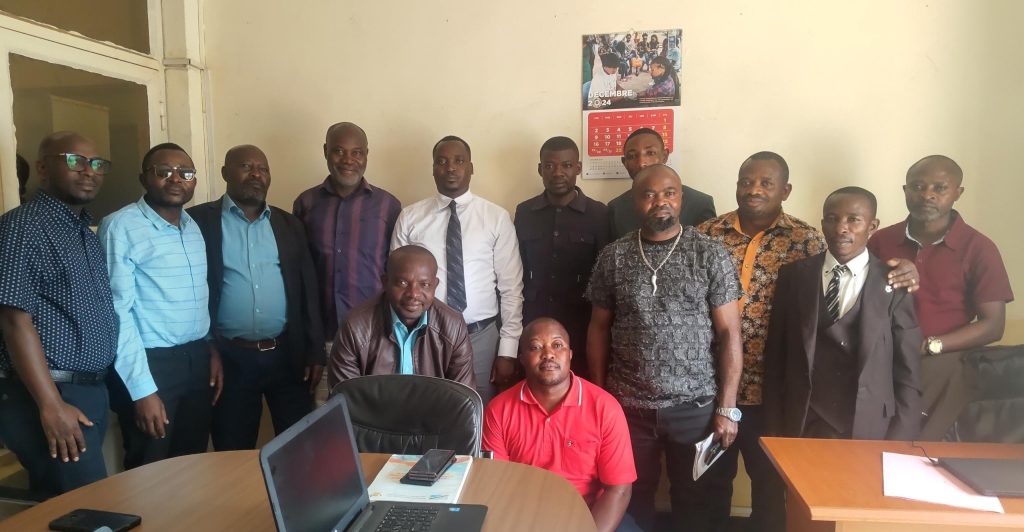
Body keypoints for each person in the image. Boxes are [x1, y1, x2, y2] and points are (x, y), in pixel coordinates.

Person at [587, 164, 743, 531]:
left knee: (694, 500)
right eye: (649, 194)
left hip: (695, 407)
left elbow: (729, 334)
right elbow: (598, 328)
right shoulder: (614, 256)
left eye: (669, 193)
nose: (661, 201)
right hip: (628, 407)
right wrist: (600, 397)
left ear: (681, 198)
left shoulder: (709, 253)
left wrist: (727, 407)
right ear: (634, 202)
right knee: (630, 498)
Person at [0, 131, 118, 495]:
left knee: (74, 507)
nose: (88, 171)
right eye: (74, 161)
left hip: (87, 390)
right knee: (86, 509)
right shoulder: (23, 226)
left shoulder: (84, 232)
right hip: (49, 393)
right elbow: (13, 319)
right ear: (42, 168)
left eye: (96, 163)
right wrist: (51, 404)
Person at [187, 144, 325, 450]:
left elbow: (308, 291)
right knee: (233, 448)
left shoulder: (289, 225)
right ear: (225, 173)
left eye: (262, 169)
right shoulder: (197, 222)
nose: (256, 175)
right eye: (246, 167)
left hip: (287, 355)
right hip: (230, 357)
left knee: (299, 448)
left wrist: (315, 350)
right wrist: (208, 347)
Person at [867, 155, 1013, 440]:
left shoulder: (978, 247)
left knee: (910, 440)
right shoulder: (880, 240)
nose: (927, 195)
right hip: (882, 354)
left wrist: (930, 346)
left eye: (940, 188)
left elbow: (993, 325)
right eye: (917, 187)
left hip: (940, 356)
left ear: (958, 192)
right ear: (905, 190)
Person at [764, 187, 922, 442]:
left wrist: (903, 437)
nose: (841, 228)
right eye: (832, 219)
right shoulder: (794, 276)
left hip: (868, 421)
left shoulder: (894, 283)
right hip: (802, 417)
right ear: (822, 223)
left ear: (872, 226)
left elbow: (907, 370)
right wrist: (772, 425)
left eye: (853, 220)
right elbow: (775, 357)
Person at [99, 143, 220, 469]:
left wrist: (210, 349)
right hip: (151, 365)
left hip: (196, 359)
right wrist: (142, 390)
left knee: (192, 464)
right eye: (163, 171)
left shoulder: (191, 227)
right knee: (150, 468)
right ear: (144, 178)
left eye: (185, 173)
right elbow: (117, 312)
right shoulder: (121, 226)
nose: (176, 179)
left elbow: (197, 299)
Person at [392, 136, 523, 404]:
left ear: (471, 167)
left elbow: (511, 288)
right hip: (424, 334)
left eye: (459, 161)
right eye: (441, 161)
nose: (450, 167)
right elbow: (397, 285)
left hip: (481, 337)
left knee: (478, 411)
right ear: (433, 169)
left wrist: (507, 350)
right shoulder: (410, 217)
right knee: (427, 408)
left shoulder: (496, 218)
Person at [483, 318, 637, 532]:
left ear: (570, 354)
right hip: (523, 516)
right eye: (535, 347)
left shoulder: (605, 408)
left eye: (557, 345)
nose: (548, 354)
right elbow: (497, 486)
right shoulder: (498, 410)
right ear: (522, 359)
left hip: (590, 514)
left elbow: (618, 490)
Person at [293, 122, 401, 343]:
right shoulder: (305, 203)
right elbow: (298, 269)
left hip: (374, 332)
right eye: (339, 151)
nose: (348, 160)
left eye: (357, 153)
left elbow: (397, 271)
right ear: (326, 151)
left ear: (366, 155)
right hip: (321, 332)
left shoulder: (388, 206)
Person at [514, 137, 609, 379]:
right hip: (533, 319)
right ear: (540, 169)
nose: (558, 173)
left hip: (581, 324)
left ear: (578, 168)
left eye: (566, 165)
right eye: (549, 166)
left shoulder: (598, 213)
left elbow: (606, 276)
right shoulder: (525, 212)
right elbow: (515, 269)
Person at [328, 245, 475, 387]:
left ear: (435, 285)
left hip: (436, 406)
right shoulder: (355, 327)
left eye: (424, 284)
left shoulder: (453, 326)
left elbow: (463, 398)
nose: (413, 294)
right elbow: (346, 397)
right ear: (385, 283)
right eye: (403, 283)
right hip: (371, 406)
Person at [606, 128, 715, 240]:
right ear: (625, 163)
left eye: (650, 153)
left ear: (665, 156)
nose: (641, 163)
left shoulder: (700, 204)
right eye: (632, 156)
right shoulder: (616, 209)